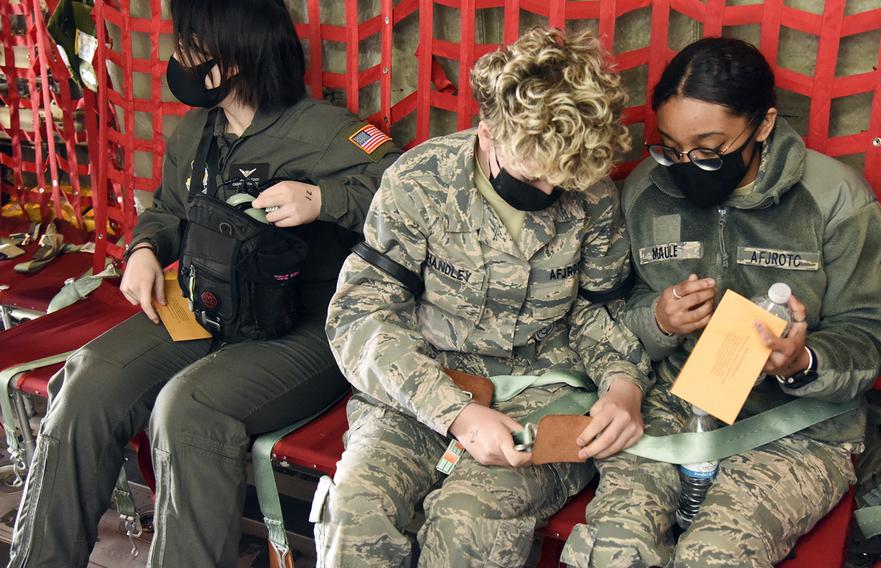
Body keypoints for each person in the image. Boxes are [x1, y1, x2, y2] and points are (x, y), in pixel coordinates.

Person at [7, 0, 400, 566]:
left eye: (192, 46)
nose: (179, 58)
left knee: (188, 410)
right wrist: (144, 250)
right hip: (206, 304)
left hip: (303, 323)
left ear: (236, 57)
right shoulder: (197, 130)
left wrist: (322, 200)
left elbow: (409, 197)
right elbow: (169, 209)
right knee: (88, 382)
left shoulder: (326, 132)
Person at [560, 37, 881, 567]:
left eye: (709, 148)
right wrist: (656, 320)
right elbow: (605, 313)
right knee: (614, 546)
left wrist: (802, 361)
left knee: (715, 557)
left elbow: (872, 334)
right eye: (671, 147)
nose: (685, 163)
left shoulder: (834, 199)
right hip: (670, 404)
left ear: (763, 125)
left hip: (797, 425)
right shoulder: (647, 191)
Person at [312, 27, 650, 566]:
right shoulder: (422, 180)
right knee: (355, 510)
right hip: (425, 382)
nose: (545, 194)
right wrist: (456, 412)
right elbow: (363, 314)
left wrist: (623, 386)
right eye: (529, 174)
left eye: (557, 182)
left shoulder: (592, 197)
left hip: (544, 392)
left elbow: (598, 311)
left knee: (470, 522)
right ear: (488, 130)